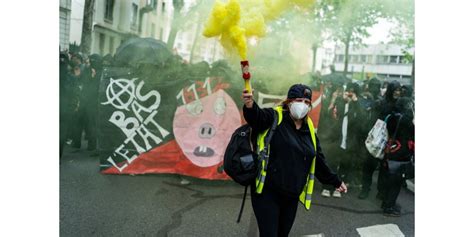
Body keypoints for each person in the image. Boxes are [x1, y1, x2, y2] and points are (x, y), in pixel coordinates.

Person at [242, 84, 347, 237]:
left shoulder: (309, 128)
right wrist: (250, 105)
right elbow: (257, 117)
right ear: (289, 102)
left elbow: (317, 160)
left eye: (307, 102)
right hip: (267, 192)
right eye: (299, 100)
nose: (303, 105)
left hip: (291, 195)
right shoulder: (274, 116)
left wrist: (336, 181)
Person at [380, 97, 415, 217]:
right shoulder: (407, 120)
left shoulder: (391, 117)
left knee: (389, 179)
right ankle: (389, 207)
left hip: (390, 150)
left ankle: (385, 203)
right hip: (401, 153)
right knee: (396, 182)